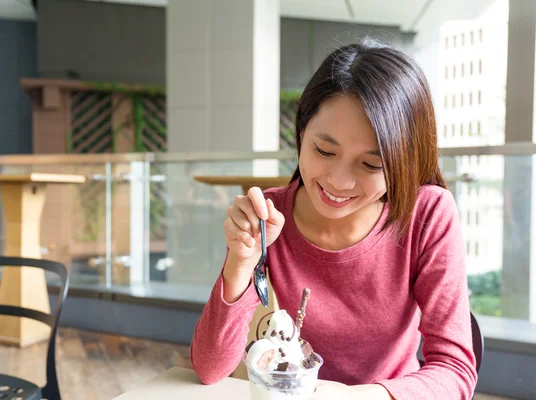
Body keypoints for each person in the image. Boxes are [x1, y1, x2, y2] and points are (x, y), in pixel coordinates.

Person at [190, 39, 477, 400]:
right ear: (300, 134)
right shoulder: (268, 218)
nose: (338, 182)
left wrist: (346, 397)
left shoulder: (427, 214)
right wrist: (240, 265)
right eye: (324, 151)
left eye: (371, 164)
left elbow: (454, 371)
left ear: (405, 161)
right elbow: (209, 368)